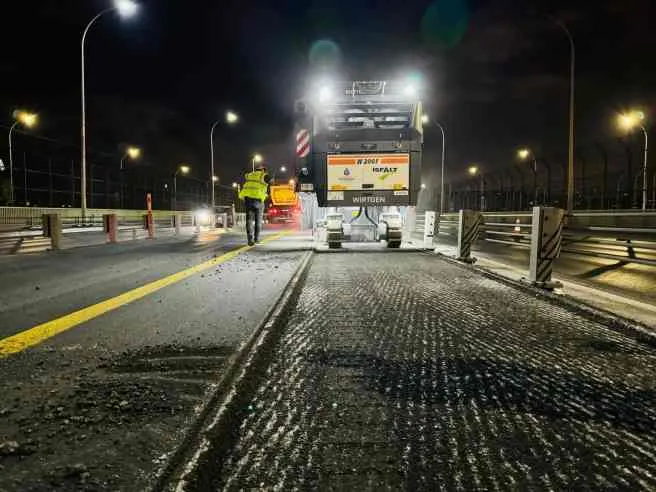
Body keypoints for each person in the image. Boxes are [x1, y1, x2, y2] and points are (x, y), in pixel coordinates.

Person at [238, 165, 270, 245]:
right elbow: (270, 181)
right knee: (258, 221)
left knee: (249, 220)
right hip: (258, 200)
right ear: (263, 170)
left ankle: (250, 240)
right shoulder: (264, 175)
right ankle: (256, 239)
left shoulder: (249, 175)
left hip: (248, 199)